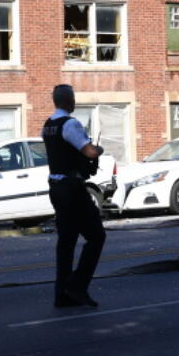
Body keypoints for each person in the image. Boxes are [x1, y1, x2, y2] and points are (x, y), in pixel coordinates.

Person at [41, 84, 105, 308]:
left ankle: (62, 294)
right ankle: (77, 287)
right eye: (74, 98)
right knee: (96, 236)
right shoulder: (70, 124)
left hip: (56, 187)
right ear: (69, 101)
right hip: (72, 188)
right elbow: (88, 151)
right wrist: (98, 151)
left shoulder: (48, 125)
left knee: (66, 242)